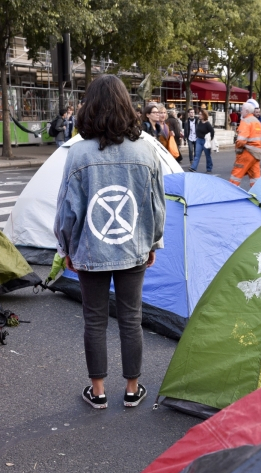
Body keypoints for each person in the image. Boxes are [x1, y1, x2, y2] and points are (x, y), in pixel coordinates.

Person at [54, 74, 165, 410]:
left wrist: (66, 248)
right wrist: (153, 242)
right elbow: (156, 205)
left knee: (95, 319)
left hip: (90, 248)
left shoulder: (78, 154)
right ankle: (132, 389)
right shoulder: (146, 150)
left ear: (90, 108)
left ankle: (98, 391)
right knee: (131, 318)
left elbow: (67, 210)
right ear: (127, 107)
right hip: (133, 248)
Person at [229, 101, 261, 187]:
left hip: (246, 153)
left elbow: (241, 140)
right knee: (255, 178)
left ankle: (230, 194)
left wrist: (237, 147)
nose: (241, 111)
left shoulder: (245, 122)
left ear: (247, 111)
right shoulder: (257, 122)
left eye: (242, 110)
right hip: (256, 154)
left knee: (235, 177)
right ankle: (257, 196)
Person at [189, 109, 214, 173]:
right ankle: (193, 168)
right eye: (199, 114)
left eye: (200, 114)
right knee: (197, 155)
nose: (199, 115)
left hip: (205, 141)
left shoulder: (207, 124)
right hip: (199, 140)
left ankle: (209, 168)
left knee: (207, 155)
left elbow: (212, 131)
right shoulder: (199, 121)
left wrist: (210, 139)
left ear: (204, 115)